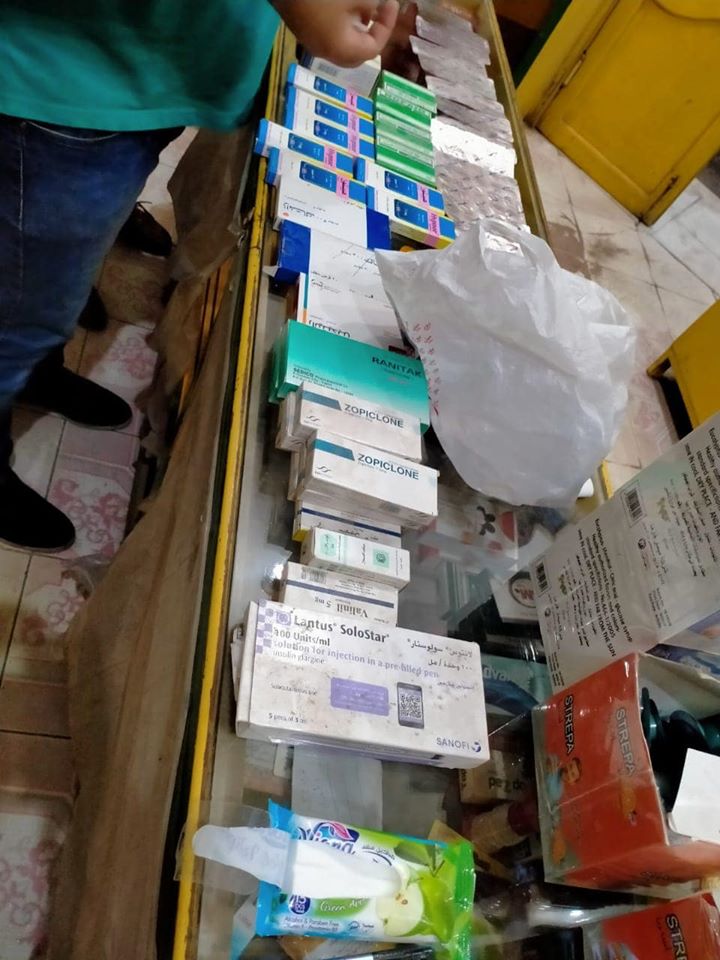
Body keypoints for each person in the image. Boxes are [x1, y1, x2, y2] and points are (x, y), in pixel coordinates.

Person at [0, 0, 399, 551]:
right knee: (18, 307)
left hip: (147, 70)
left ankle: (33, 370)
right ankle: (22, 362)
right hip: (72, 80)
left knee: (48, 281)